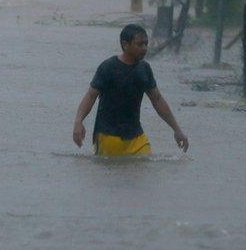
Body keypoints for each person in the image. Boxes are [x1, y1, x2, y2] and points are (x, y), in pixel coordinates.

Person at [73, 24, 189, 156]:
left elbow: (157, 100)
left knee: (144, 168)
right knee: (110, 171)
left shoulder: (144, 69)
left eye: (146, 44)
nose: (144, 48)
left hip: (136, 136)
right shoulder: (108, 68)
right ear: (125, 44)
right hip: (108, 136)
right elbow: (90, 96)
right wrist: (78, 122)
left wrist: (177, 129)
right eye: (139, 44)